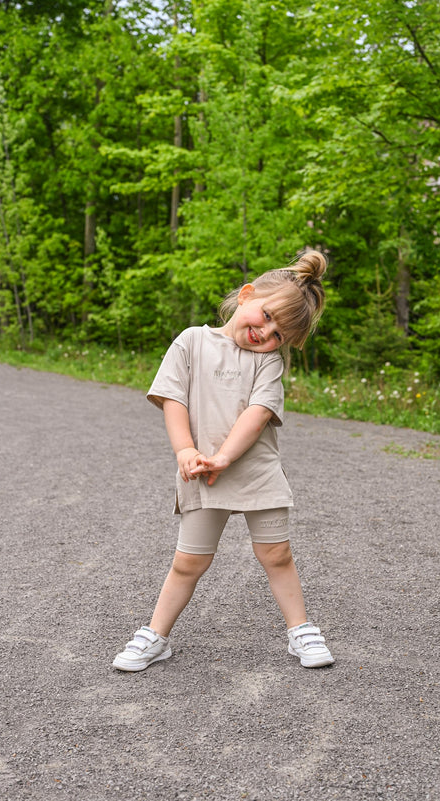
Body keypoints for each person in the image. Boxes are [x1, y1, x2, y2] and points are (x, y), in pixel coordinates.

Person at [113, 250, 334, 672]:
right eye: (266, 316)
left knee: (277, 555)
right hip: (202, 474)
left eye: (278, 335)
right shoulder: (191, 341)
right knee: (189, 562)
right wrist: (187, 452)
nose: (265, 333)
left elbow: (258, 414)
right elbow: (172, 400)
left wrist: (224, 457)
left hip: (255, 474)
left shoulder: (268, 361)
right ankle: (155, 636)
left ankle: (301, 631)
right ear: (247, 295)